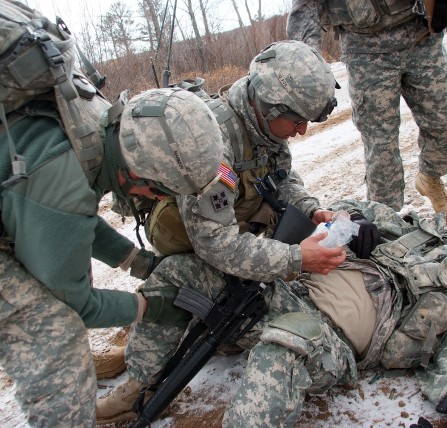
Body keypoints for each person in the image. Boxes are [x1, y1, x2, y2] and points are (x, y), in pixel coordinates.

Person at [0, 87, 225, 427]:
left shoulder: (100, 128)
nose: (154, 197)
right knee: (56, 335)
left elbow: (76, 221)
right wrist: (151, 305)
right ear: (135, 172)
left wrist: (139, 262)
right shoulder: (61, 178)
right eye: (159, 189)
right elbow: (78, 304)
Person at [95, 40, 346, 424]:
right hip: (194, 238)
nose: (302, 130)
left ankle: (154, 333)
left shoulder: (267, 132)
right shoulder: (210, 144)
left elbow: (279, 178)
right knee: (179, 281)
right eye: (297, 121)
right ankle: (140, 381)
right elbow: (216, 245)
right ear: (269, 107)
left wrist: (311, 208)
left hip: (231, 228)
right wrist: (296, 259)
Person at [223, 199, 447, 427]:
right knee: (200, 273)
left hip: (326, 340)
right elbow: (340, 208)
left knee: (285, 345)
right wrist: (354, 218)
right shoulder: (401, 229)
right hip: (288, 291)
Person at [287, 0, 447, 223]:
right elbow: (305, 8)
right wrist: (308, 63)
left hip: (420, 36)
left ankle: (430, 176)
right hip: (365, 50)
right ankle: (385, 222)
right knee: (381, 147)